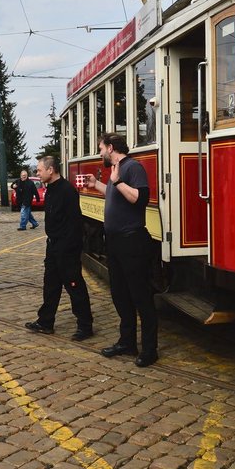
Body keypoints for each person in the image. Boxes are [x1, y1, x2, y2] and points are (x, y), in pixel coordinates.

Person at [86, 132, 158, 367]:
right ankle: (127, 341)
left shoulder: (133, 167)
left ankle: (150, 349)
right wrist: (97, 184)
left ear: (110, 147)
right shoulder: (116, 170)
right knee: (120, 294)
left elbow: (140, 198)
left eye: (100, 148)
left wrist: (117, 181)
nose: (99, 154)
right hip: (115, 242)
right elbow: (116, 196)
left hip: (132, 241)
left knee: (141, 296)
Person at [24, 157, 94, 340]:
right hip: (53, 245)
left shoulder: (67, 190)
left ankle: (85, 326)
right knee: (51, 285)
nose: (37, 174)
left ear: (51, 170)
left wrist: (68, 248)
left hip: (66, 247)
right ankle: (45, 322)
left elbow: (75, 223)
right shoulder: (50, 190)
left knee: (74, 286)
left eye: (39, 170)